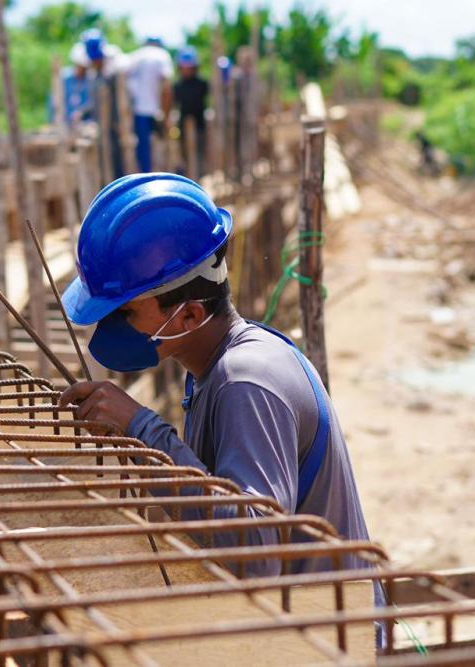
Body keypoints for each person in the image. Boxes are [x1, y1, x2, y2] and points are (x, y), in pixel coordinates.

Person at [58, 173, 375, 582]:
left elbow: (255, 552)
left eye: (127, 312)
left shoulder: (246, 380)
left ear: (189, 314)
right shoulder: (212, 369)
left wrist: (144, 432)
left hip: (331, 636)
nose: (112, 326)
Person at [74, 29, 127, 178]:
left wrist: (118, 124)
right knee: (103, 167)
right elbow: (94, 103)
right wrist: (83, 113)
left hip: (114, 129)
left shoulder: (113, 75)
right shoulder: (94, 76)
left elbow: (121, 104)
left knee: (116, 166)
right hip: (101, 129)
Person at [126, 37, 173, 172]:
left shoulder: (135, 56)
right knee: (160, 151)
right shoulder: (162, 55)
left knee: (142, 153)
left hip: (137, 111)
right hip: (155, 111)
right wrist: (166, 115)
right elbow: (166, 86)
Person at [172, 47, 209, 177]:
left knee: (199, 155)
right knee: (185, 155)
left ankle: (198, 178)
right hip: (183, 126)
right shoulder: (177, 85)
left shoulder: (202, 83)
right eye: (184, 67)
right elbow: (174, 105)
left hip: (199, 125)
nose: (186, 70)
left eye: (189, 67)